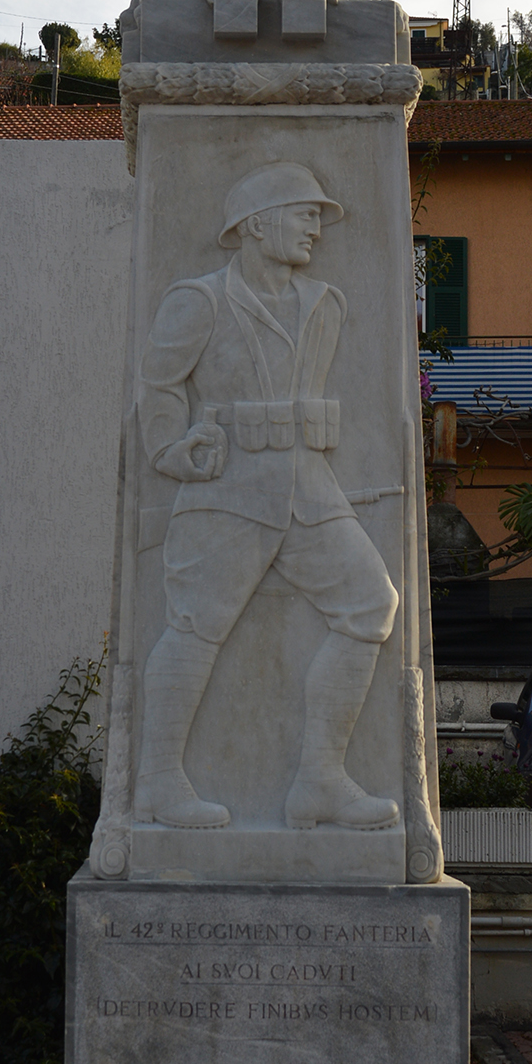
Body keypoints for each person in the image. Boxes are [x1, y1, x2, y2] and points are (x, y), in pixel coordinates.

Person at [134, 161, 399, 830]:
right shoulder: (199, 300)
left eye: (318, 217)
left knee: (371, 603)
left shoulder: (325, 303)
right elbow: (159, 386)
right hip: (228, 487)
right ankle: (158, 783)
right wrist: (171, 451)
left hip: (308, 487)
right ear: (257, 224)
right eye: (304, 213)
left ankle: (320, 782)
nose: (316, 228)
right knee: (195, 625)